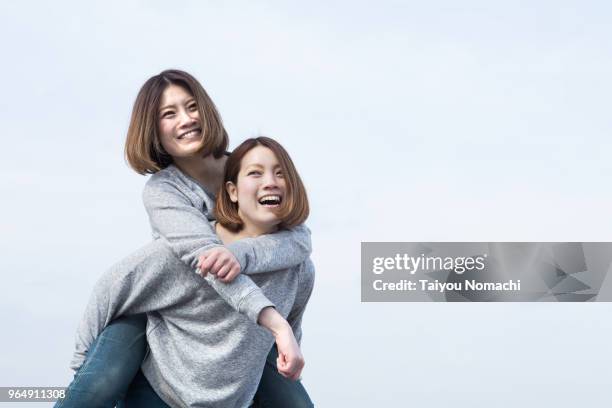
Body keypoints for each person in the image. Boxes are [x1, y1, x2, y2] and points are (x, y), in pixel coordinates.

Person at [56, 70, 314, 407]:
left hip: (240, 317)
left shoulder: (247, 170)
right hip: (165, 304)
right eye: (169, 113)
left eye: (192, 107)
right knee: (97, 387)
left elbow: (297, 239)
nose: (186, 120)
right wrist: (83, 364)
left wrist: (281, 335)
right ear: (152, 130)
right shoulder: (164, 191)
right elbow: (207, 261)